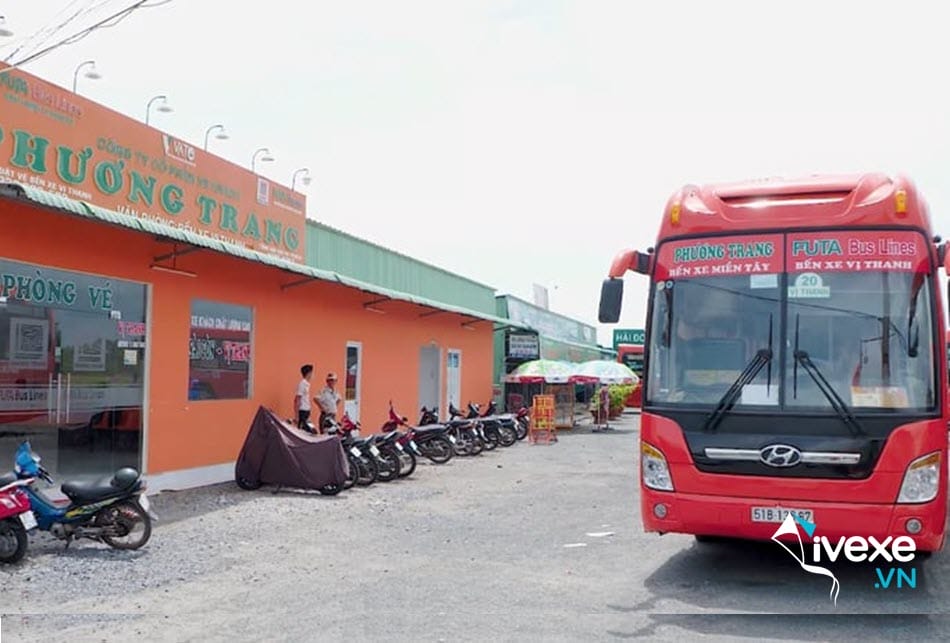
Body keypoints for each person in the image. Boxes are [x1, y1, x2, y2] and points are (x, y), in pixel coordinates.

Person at [294, 364, 315, 432]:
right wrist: (296, 416)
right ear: (309, 373)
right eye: (312, 373)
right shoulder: (302, 384)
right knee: (304, 431)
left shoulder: (307, 384)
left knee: (309, 431)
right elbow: (297, 399)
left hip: (307, 411)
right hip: (302, 411)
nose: (313, 375)